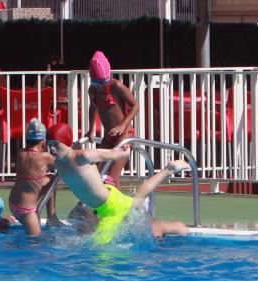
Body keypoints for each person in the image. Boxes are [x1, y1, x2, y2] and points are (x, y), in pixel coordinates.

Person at [46, 122, 190, 245]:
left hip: (111, 207)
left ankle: (168, 170)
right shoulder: (58, 163)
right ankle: (173, 224)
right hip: (99, 204)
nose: (52, 149)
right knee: (137, 201)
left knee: (100, 249)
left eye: (55, 144)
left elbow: (112, 154)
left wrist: (123, 152)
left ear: (66, 142)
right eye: (49, 145)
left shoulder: (83, 156)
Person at [87, 50, 138, 185]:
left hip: (125, 135)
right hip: (109, 136)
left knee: (112, 177)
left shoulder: (117, 87)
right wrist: (91, 129)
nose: (100, 86)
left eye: (103, 82)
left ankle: (122, 206)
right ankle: (100, 205)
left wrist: (122, 125)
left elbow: (135, 106)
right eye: (97, 83)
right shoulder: (93, 90)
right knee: (97, 174)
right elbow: (93, 108)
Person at [7, 118, 62, 236]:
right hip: (26, 211)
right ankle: (51, 216)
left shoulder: (21, 153)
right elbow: (66, 163)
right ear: (43, 142)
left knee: (50, 178)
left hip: (13, 203)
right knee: (35, 241)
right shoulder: (45, 157)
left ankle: (52, 218)